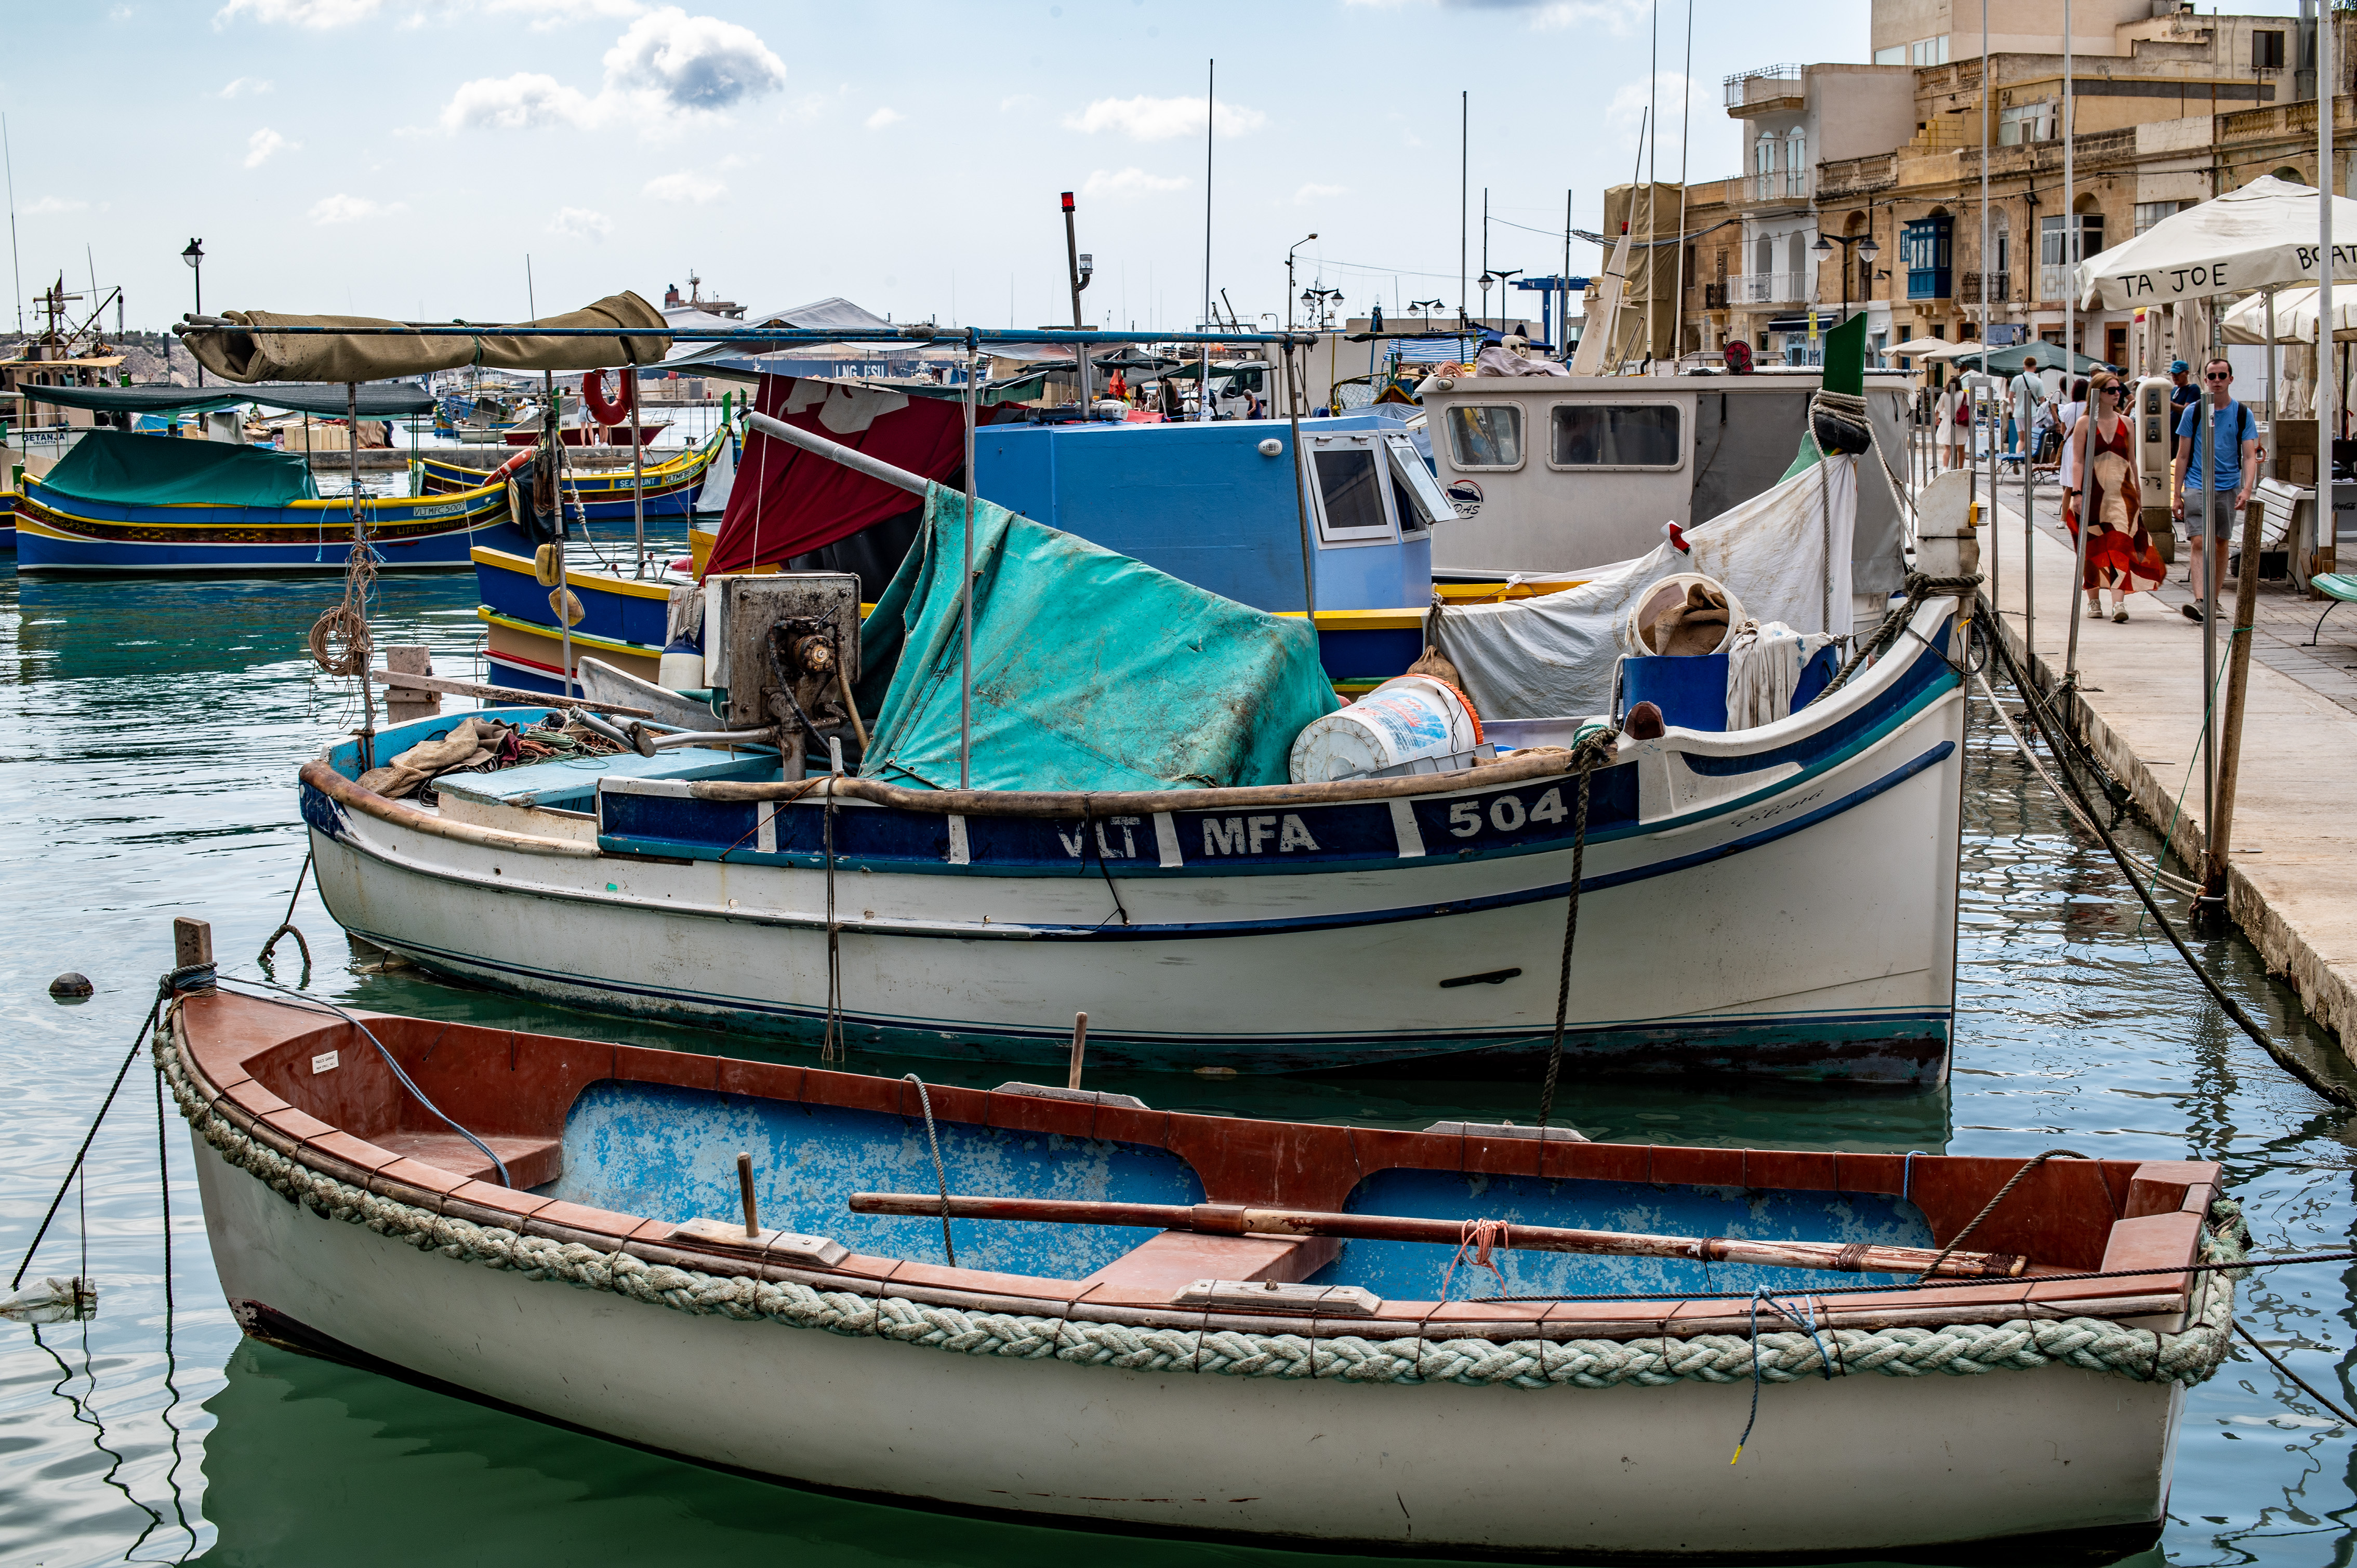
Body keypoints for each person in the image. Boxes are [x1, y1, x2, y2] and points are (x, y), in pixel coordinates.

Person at [2064, 372, 2165, 622]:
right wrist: (2077, 493)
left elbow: (2132, 461)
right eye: (2111, 390)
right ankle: (2094, 600)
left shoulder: (2127, 424)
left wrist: (2139, 493)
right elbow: (2077, 461)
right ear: (2098, 394)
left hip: (2122, 494)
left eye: (2118, 388)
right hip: (2093, 493)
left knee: (2121, 545)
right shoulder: (2085, 423)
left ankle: (2118, 603)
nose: (2117, 393)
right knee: (2091, 547)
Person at [2170, 355, 2261, 621]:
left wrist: (2247, 489)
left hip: (2228, 485)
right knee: (2199, 540)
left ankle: (2214, 600)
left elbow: (2249, 455)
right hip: (2197, 484)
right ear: (2205, 381)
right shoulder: (2194, 411)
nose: (2217, 381)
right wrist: (2177, 494)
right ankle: (2200, 601)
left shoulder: (2243, 413)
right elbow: (2183, 455)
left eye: (2222, 376)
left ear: (2231, 379)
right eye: (2212, 376)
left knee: (2221, 542)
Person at [2007, 355, 2045, 462]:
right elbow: (2042, 400)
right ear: (2035, 368)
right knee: (2032, 440)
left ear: (2024, 367)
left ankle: (2017, 458)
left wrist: (2014, 409)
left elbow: (2010, 397)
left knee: (2021, 440)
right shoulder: (2038, 382)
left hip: (2019, 414)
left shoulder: (2017, 379)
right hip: (2033, 414)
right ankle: (2029, 462)